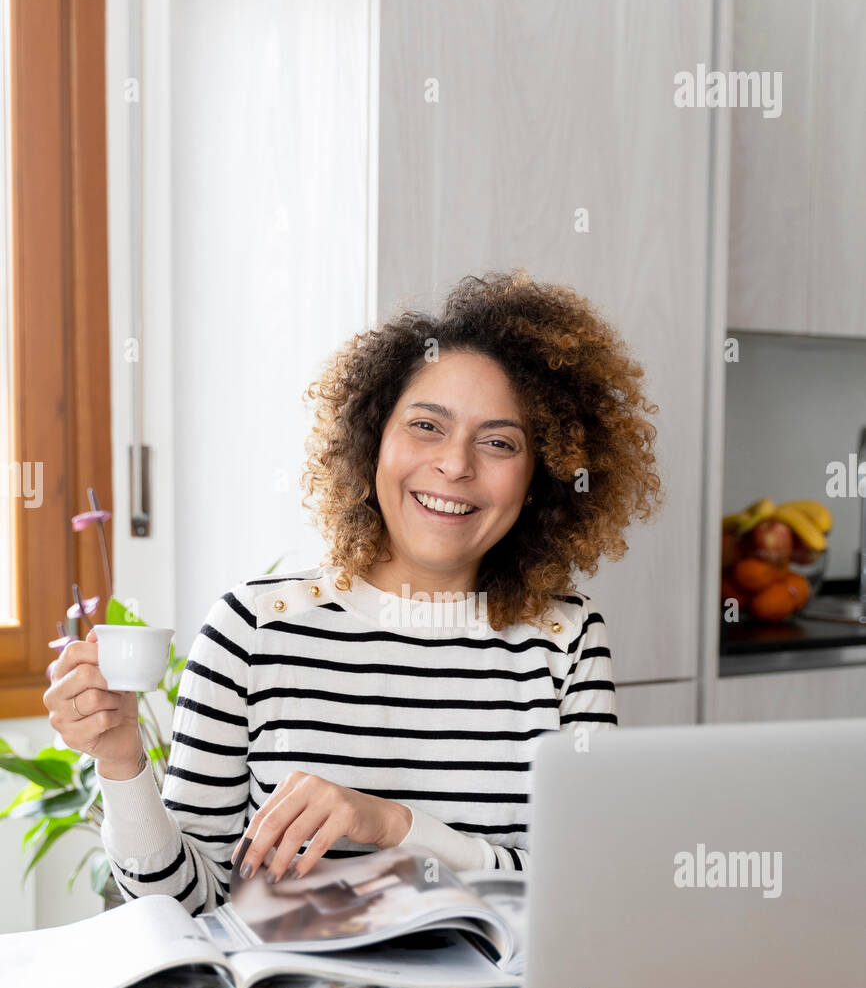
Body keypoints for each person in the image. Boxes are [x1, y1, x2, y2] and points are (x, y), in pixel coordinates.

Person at [43, 270, 661, 915]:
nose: (456, 464)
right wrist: (120, 765)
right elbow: (185, 902)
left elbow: (589, 885)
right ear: (373, 444)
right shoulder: (252, 628)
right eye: (426, 425)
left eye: (500, 442)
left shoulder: (567, 641)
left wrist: (395, 827)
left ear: (540, 478)